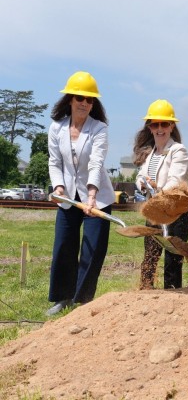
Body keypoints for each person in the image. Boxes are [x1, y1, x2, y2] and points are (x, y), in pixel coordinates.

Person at [46, 71, 116, 316]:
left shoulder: (99, 129)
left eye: (89, 99)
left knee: (92, 248)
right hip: (67, 198)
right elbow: (54, 162)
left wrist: (92, 196)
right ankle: (62, 298)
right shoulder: (56, 128)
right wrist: (58, 187)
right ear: (70, 100)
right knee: (64, 245)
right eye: (79, 98)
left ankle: (83, 301)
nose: (84, 103)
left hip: (97, 197)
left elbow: (96, 163)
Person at [133, 99, 188, 290]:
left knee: (172, 257)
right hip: (155, 209)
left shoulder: (178, 150)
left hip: (177, 210)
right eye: (155, 124)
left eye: (164, 124)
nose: (160, 128)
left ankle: (172, 295)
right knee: (150, 253)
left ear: (171, 126)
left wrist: (157, 187)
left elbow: (175, 180)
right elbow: (140, 176)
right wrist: (143, 184)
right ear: (149, 127)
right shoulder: (150, 153)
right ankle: (146, 290)